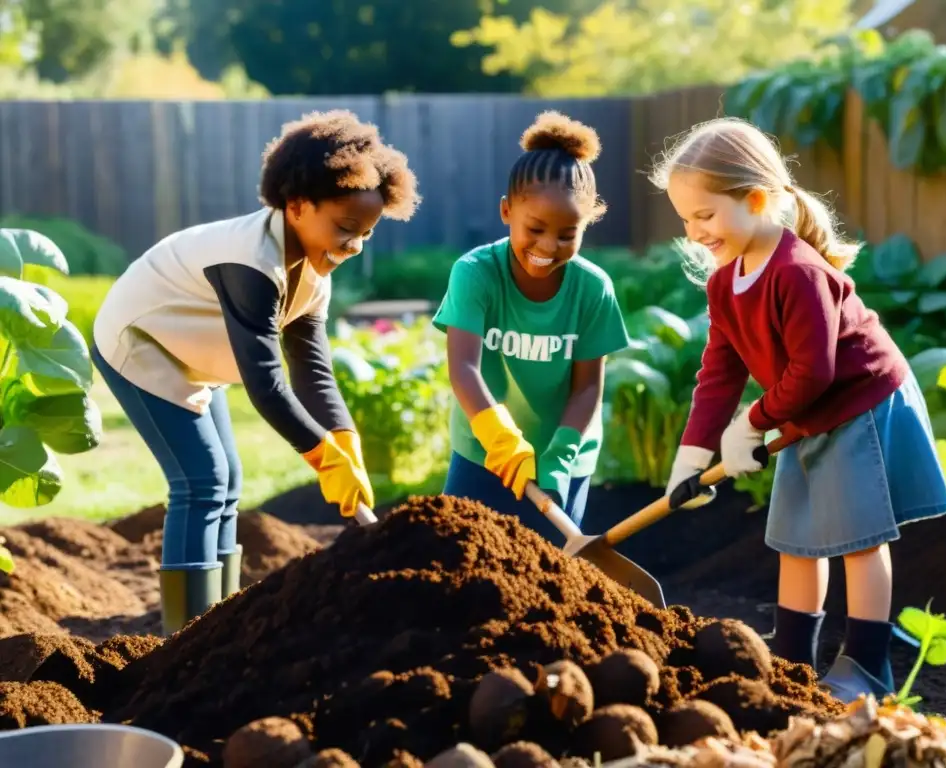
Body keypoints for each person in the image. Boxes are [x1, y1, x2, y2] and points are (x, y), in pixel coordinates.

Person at [649, 117, 946, 703]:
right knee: (795, 534)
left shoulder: (798, 272)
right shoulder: (725, 282)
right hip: (800, 412)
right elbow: (718, 372)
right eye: (684, 219)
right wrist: (692, 457)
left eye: (704, 216)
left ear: (757, 199)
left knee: (858, 537)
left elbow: (814, 372)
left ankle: (866, 666)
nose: (693, 231)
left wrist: (753, 422)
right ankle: (792, 659)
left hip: (856, 403)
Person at [91, 110, 421, 635]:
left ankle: (216, 620)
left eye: (366, 234)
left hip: (195, 351)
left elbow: (310, 362)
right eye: (345, 229)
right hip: (142, 343)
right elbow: (267, 383)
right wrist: (318, 453)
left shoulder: (314, 264)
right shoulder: (251, 264)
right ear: (297, 206)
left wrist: (343, 437)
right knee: (201, 480)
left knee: (230, 480)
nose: (354, 246)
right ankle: (187, 632)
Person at [432, 111, 629, 544]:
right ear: (507, 210)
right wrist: (499, 437)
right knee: (457, 560)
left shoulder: (592, 289)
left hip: (564, 455)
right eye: (535, 229)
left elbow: (587, 389)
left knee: (547, 577)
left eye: (567, 234)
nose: (547, 246)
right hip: (484, 450)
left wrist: (558, 456)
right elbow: (464, 368)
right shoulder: (476, 273)